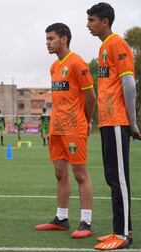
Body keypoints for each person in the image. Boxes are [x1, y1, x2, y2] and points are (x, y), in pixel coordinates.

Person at [87, 2, 141, 250]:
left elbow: (129, 86)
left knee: (119, 179)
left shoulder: (118, 44)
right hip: (108, 122)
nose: (88, 24)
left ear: (105, 21)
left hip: (119, 120)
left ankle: (123, 234)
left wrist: (132, 122)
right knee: (112, 178)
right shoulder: (104, 48)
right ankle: (120, 229)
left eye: (92, 20)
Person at [35, 23, 96, 239]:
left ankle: (86, 222)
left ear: (64, 39)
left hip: (74, 127)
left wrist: (86, 122)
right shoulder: (54, 67)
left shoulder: (77, 63)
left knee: (80, 175)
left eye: (51, 38)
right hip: (57, 128)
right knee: (60, 174)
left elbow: (91, 97)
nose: (47, 43)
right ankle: (61, 219)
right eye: (46, 39)